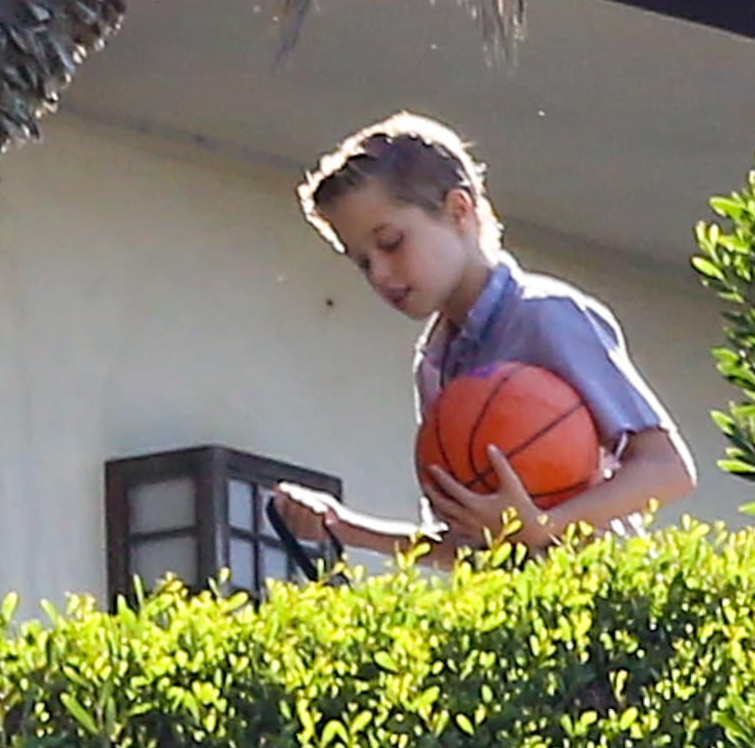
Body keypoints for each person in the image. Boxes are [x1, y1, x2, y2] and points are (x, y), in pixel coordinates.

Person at [274, 112, 696, 568]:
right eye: (361, 262)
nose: (379, 273)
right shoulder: (435, 366)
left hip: (600, 606)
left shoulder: (545, 317)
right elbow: (471, 549)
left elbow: (667, 470)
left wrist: (544, 527)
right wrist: (343, 526)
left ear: (460, 210)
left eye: (392, 242)